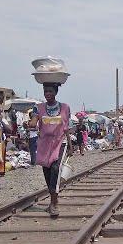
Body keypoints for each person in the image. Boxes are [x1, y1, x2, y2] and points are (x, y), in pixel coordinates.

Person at [30, 83, 73, 217]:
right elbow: (34, 121)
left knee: (55, 169)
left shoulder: (65, 108)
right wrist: (31, 122)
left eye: (50, 91)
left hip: (60, 142)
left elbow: (66, 128)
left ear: (55, 92)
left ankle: (54, 203)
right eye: (45, 91)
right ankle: (52, 197)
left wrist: (71, 145)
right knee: (47, 172)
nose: (47, 93)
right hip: (44, 144)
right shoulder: (38, 108)